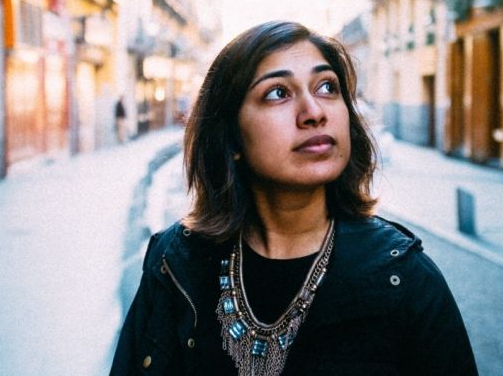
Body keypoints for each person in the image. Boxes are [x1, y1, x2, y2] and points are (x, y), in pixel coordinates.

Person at [111, 21, 477, 375]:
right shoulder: (175, 264)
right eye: (277, 93)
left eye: (327, 87)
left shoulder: (403, 278)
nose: (314, 112)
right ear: (231, 136)